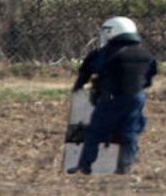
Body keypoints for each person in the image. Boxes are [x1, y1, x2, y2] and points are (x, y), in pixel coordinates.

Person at [67, 17, 158, 175]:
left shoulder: (104, 53)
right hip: (136, 97)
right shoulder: (146, 54)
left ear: (112, 32)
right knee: (129, 130)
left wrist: (79, 86)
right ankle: (125, 165)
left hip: (110, 96)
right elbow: (149, 78)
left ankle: (85, 164)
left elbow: (87, 70)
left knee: (96, 130)